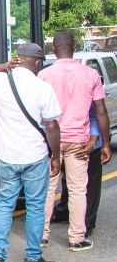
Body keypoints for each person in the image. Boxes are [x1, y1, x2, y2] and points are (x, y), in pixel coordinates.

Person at [0, 43, 62, 262]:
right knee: (36, 207)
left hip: (7, 155)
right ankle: (33, 258)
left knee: (5, 204)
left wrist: (5, 66)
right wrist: (56, 156)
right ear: (37, 63)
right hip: (34, 156)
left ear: (17, 59)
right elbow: (52, 127)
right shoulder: (42, 87)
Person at [38, 32, 111, 251]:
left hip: (52, 142)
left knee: (47, 189)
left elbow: (37, 111)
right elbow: (101, 111)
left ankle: (41, 236)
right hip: (79, 142)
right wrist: (104, 143)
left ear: (53, 48)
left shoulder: (43, 75)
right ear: (75, 46)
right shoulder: (90, 74)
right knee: (79, 189)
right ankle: (77, 239)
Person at [51, 102, 109, 238]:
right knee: (70, 178)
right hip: (63, 139)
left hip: (85, 141)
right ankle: (64, 211)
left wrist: (97, 141)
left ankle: (86, 223)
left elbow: (97, 113)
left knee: (88, 183)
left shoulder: (87, 81)